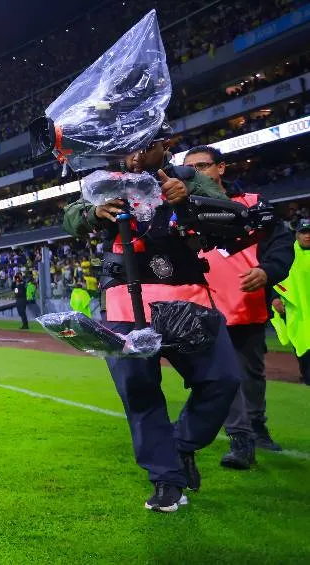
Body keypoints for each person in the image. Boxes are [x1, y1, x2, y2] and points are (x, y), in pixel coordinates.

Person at [62, 133, 240, 513]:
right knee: (140, 393)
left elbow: (230, 215)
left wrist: (191, 201)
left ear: (166, 144)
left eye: (145, 146)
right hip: (125, 301)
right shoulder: (104, 182)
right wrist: (93, 213)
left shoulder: (188, 176)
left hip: (187, 294)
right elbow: (71, 216)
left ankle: (182, 445)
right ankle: (165, 480)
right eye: (127, 147)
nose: (135, 156)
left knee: (223, 379)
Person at [184, 146, 294, 464]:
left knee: (252, 374)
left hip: (247, 304)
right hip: (203, 309)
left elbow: (280, 243)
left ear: (221, 168)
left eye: (201, 166)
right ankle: (241, 438)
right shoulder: (181, 213)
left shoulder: (251, 204)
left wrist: (267, 271)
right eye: (188, 168)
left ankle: (257, 426)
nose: (194, 173)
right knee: (225, 376)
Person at [270, 218, 310, 385]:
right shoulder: (288, 253)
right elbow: (274, 272)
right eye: (303, 232)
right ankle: (306, 374)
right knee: (299, 340)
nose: (307, 236)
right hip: (294, 307)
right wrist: (274, 297)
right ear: (296, 234)